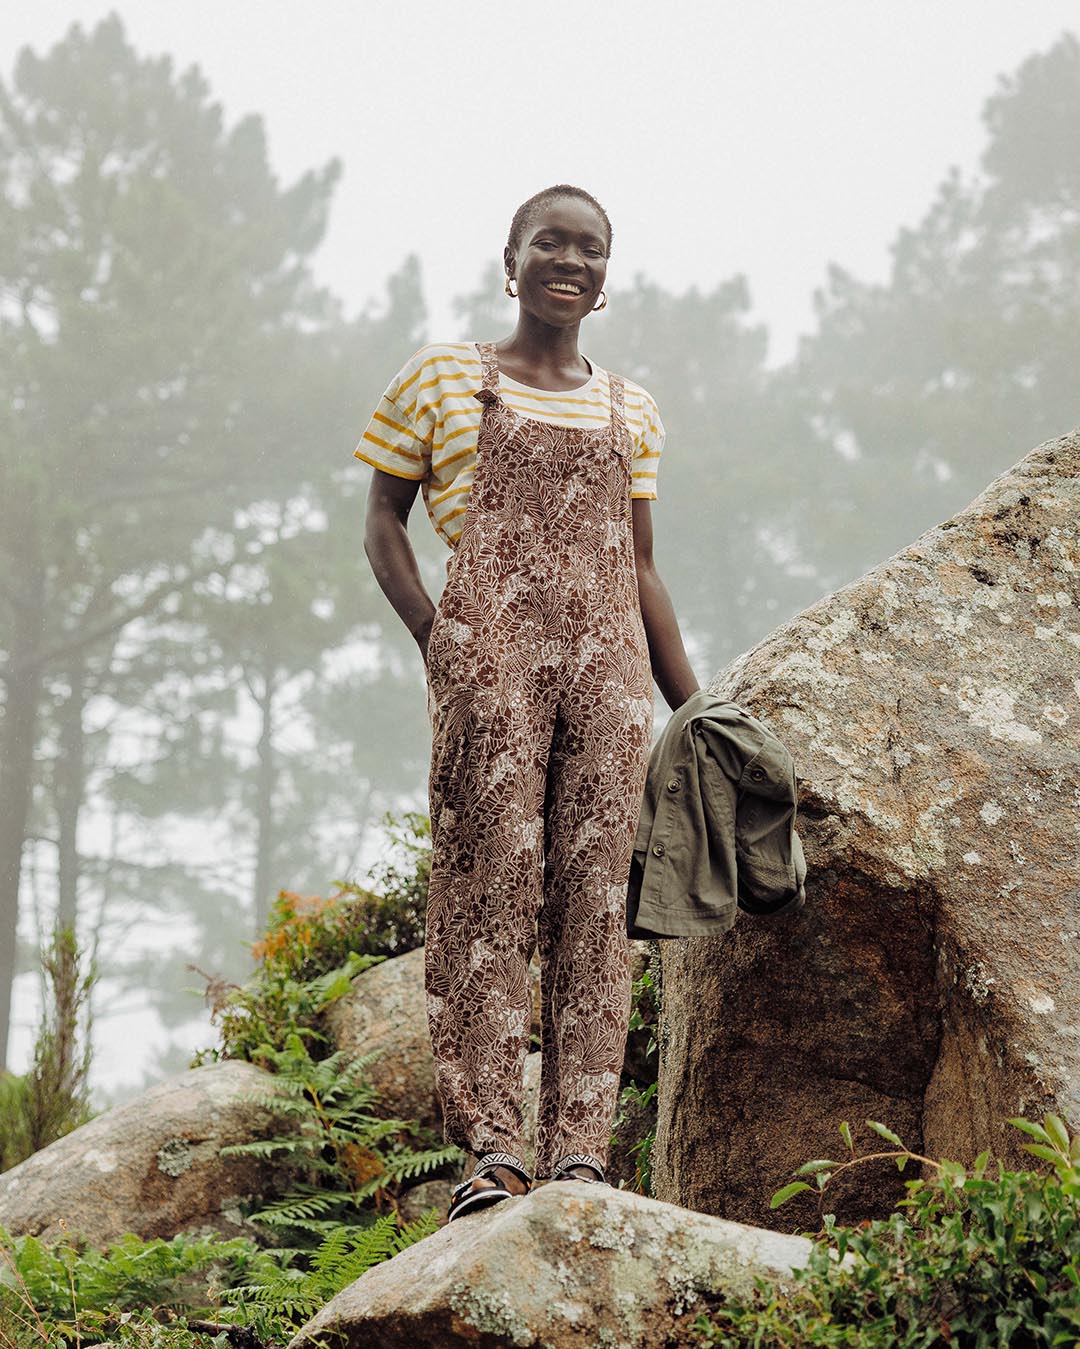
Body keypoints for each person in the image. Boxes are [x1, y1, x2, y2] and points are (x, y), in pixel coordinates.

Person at [359, 185, 699, 1221]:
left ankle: (581, 1153)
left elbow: (640, 567)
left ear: (606, 275)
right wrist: (440, 639)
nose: (571, 259)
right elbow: (382, 523)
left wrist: (694, 708)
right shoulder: (445, 377)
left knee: (597, 902)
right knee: (487, 890)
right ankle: (494, 1149)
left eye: (590, 248)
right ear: (510, 259)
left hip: (607, 676)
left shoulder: (628, 407)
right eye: (550, 240)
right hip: (487, 669)